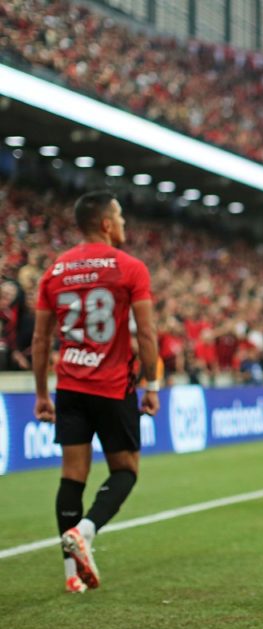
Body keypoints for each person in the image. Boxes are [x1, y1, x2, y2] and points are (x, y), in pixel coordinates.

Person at [31, 190, 160, 594]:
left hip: (70, 384)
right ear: (106, 223)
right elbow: (148, 332)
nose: (123, 224)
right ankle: (85, 531)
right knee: (125, 469)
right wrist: (152, 386)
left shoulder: (55, 271)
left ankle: (72, 573)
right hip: (112, 385)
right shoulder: (130, 268)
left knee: (72, 475)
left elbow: (39, 339)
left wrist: (41, 395)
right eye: (120, 216)